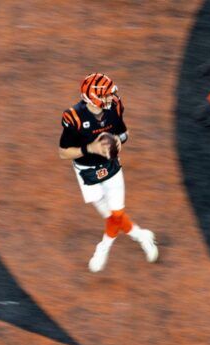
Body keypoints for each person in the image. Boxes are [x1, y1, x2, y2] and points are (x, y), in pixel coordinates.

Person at [58, 73, 158, 272]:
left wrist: (120, 140)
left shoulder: (114, 108)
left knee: (117, 213)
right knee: (111, 216)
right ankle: (141, 235)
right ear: (93, 98)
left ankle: (103, 247)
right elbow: (63, 153)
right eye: (105, 95)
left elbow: (123, 132)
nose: (111, 98)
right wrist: (91, 149)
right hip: (86, 172)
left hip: (110, 166)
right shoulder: (74, 117)